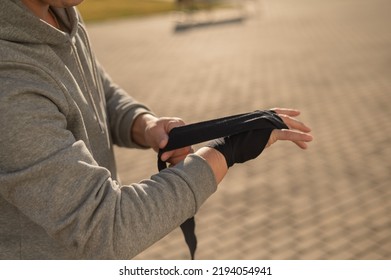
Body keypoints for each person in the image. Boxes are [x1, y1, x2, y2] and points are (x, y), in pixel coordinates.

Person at [0, 0, 313, 259]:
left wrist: (145, 124)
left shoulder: (60, 10)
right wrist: (226, 151)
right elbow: (107, 229)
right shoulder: (10, 82)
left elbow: (96, 90)